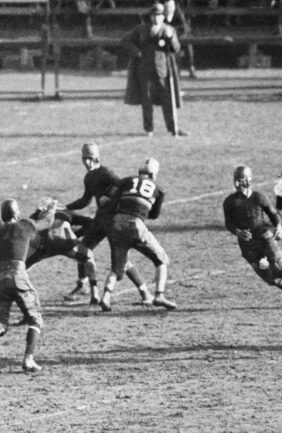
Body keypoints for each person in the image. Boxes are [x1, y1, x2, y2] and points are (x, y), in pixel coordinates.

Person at [65, 142, 151, 305]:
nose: (87, 162)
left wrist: (112, 200)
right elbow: (84, 201)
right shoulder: (89, 177)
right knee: (83, 249)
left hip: (114, 221)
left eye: (90, 158)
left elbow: (125, 186)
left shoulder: (106, 172)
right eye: (84, 158)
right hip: (101, 219)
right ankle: (86, 287)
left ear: (97, 157)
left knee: (122, 260)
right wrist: (65, 207)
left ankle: (145, 292)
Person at [0, 199, 56, 373]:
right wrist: (50, 209)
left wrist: (36, 212)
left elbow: (18, 228)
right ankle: (28, 359)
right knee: (36, 320)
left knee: (2, 326)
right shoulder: (24, 227)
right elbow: (45, 223)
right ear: (17, 214)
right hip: (18, 275)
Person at [223, 166, 282, 309]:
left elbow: (273, 214)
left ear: (249, 180)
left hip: (264, 237)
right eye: (236, 180)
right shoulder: (229, 201)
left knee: (278, 268)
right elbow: (228, 223)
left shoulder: (258, 197)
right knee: (270, 278)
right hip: (248, 245)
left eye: (241, 179)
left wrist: (279, 226)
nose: (238, 183)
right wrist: (238, 232)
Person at [100, 158, 177, 312]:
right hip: (136, 225)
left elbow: (113, 204)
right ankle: (159, 295)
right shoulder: (159, 189)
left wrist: (105, 202)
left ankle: (106, 297)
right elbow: (154, 215)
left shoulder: (126, 181)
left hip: (117, 224)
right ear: (154, 174)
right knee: (161, 259)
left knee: (117, 267)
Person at [122, 3, 187, 138]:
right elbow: (126, 41)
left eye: (160, 16)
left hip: (162, 71)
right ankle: (149, 129)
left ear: (163, 17)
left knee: (168, 101)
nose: (157, 18)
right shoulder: (141, 29)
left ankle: (173, 129)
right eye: (155, 15)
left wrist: (170, 38)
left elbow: (176, 49)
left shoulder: (169, 29)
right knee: (147, 101)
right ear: (151, 17)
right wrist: (137, 53)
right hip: (144, 70)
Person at [163, 0, 196, 79]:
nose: (168, 9)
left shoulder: (178, 13)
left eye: (170, 7)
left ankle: (191, 67)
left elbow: (184, 28)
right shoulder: (161, 14)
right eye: (166, 8)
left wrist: (173, 32)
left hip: (180, 34)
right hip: (165, 36)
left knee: (187, 44)